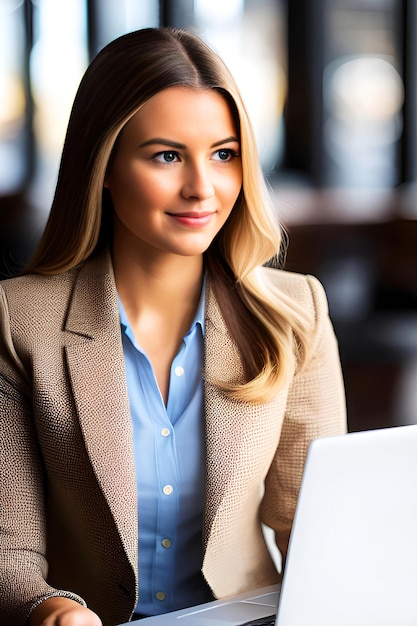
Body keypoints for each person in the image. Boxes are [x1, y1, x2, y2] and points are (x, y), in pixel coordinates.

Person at [0, 27, 346, 626]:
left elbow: (315, 532)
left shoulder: (295, 313)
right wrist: (47, 607)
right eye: (166, 155)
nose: (201, 189)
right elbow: (11, 549)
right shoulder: (18, 320)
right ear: (103, 165)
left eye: (223, 154)